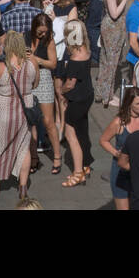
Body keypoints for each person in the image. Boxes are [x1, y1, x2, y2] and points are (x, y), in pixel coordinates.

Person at [0, 30, 36, 200]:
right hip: (25, 108)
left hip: (5, 109)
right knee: (23, 148)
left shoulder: (0, 67)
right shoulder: (31, 63)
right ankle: (23, 187)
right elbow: (35, 83)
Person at [56, 19, 95, 188]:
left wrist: (60, 91)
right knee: (83, 131)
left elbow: (70, 83)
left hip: (77, 99)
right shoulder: (86, 51)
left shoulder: (74, 58)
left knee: (71, 135)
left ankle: (78, 172)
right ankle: (86, 164)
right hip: (87, 95)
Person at [99, 86, 139, 209]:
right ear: (129, 104)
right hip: (121, 173)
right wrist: (116, 154)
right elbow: (103, 140)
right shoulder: (119, 122)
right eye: (138, 103)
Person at [94, 0, 133, 106]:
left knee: (109, 60)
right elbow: (114, 13)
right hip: (112, 27)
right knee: (110, 61)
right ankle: (106, 96)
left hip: (116, 27)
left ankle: (104, 92)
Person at [26, 13, 61, 175]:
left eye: (45, 31)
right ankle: (33, 157)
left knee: (48, 121)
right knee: (30, 121)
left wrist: (36, 59)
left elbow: (53, 64)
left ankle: (57, 156)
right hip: (28, 78)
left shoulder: (49, 41)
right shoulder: (26, 37)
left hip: (44, 78)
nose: (43, 34)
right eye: (40, 31)